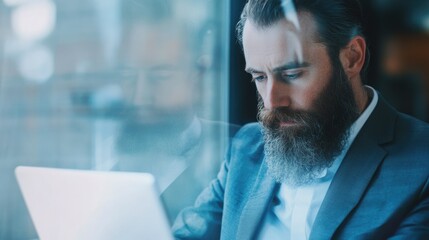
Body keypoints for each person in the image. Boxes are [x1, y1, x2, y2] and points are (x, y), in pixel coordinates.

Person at [172, 0, 429, 239]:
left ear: (352, 58)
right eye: (260, 77)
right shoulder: (245, 150)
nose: (272, 101)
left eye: (292, 74)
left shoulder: (421, 169)